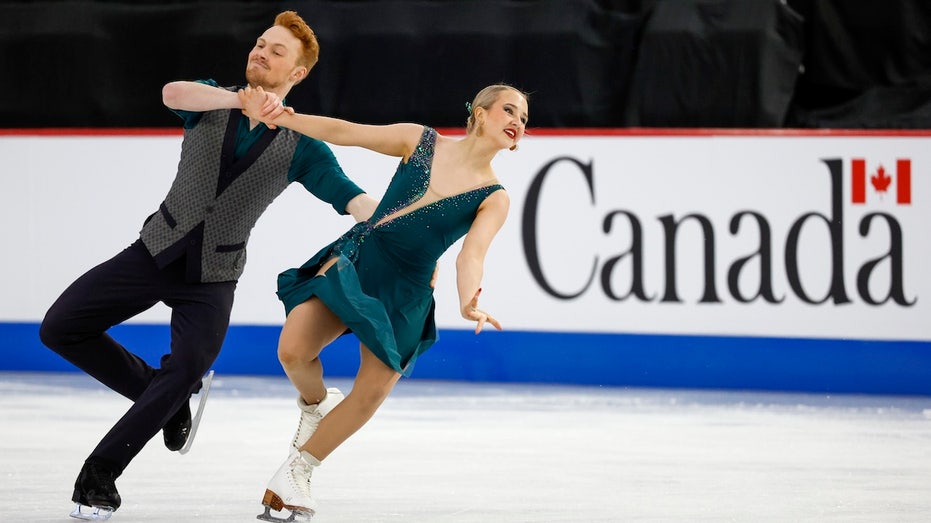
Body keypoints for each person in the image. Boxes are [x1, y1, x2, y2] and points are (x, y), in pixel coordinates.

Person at [38, 11, 379, 519]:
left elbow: (350, 198)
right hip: (153, 251)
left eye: (276, 51)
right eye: (260, 43)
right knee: (60, 328)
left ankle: (98, 478)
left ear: (297, 74)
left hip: (212, 277)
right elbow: (172, 94)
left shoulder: (302, 147)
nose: (260, 52)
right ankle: (169, 400)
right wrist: (237, 100)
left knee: (188, 366)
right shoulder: (209, 99)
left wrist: (400, 223)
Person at [239, 83, 529, 521]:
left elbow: (472, 255)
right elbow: (345, 131)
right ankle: (316, 405)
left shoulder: (495, 196)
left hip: (406, 290)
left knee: (372, 392)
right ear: (481, 113)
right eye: (510, 111)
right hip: (360, 260)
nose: (517, 123)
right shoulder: (420, 140)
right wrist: (284, 118)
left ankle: (298, 471)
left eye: (524, 119)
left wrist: (469, 301)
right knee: (293, 351)